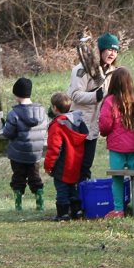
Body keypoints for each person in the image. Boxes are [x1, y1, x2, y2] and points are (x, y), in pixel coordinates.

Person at [98, 67, 134, 216]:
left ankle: (119, 209)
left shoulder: (110, 101)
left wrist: (104, 133)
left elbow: (105, 124)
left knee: (117, 178)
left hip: (116, 146)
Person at [68, 32, 120, 183]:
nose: (112, 54)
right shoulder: (82, 69)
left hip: (95, 126)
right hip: (79, 124)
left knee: (86, 165)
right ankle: (74, 200)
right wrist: (95, 97)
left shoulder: (112, 72)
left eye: (116, 51)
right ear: (101, 50)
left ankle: (85, 200)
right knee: (75, 165)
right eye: (109, 50)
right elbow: (75, 95)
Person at [2, 77, 50, 211]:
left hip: (18, 153)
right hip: (35, 153)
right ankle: (39, 201)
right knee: (34, 176)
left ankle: (18, 204)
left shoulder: (14, 113)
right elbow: (46, 128)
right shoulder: (41, 112)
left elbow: (8, 133)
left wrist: (4, 128)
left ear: (16, 94)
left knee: (18, 177)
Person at [45, 92, 90, 221]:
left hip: (61, 164)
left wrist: (48, 165)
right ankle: (77, 211)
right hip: (75, 162)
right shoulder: (77, 122)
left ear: (54, 108)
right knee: (72, 187)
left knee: (62, 189)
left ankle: (63, 213)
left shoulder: (57, 125)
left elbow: (54, 148)